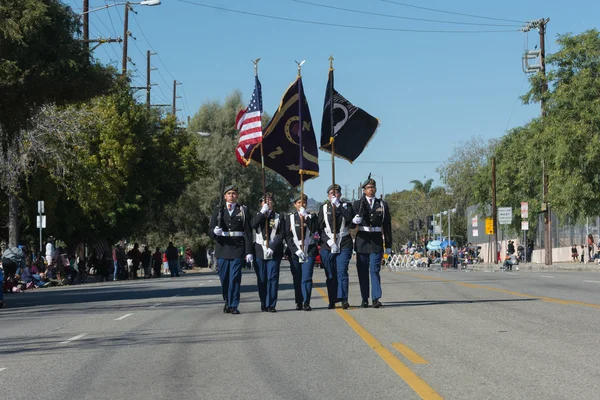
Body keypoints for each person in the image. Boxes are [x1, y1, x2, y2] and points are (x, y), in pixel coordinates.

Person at [209, 184, 253, 315]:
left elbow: (248, 232)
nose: (231, 196)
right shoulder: (218, 210)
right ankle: (227, 301)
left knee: (235, 278)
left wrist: (249, 251)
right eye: (229, 194)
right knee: (224, 279)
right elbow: (210, 230)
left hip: (237, 248)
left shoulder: (243, 210)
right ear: (224, 196)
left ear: (237, 196)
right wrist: (214, 231)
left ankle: (234, 305)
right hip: (222, 247)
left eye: (234, 193)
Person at [351, 175, 392, 308]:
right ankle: (364, 298)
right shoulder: (357, 204)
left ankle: (376, 298)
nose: (371, 190)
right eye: (368, 188)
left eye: (373, 187)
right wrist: (354, 221)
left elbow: (387, 226)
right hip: (362, 239)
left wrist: (389, 245)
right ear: (363, 190)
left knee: (374, 270)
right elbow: (350, 225)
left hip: (376, 240)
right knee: (362, 271)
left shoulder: (382, 204)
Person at [318, 183, 354, 309]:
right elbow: (319, 229)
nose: (334, 195)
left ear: (340, 194)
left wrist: (338, 205)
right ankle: (332, 299)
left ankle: (344, 299)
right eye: (332, 193)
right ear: (328, 196)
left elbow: (350, 219)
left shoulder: (346, 206)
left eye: (337, 193)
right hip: (328, 244)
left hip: (344, 241)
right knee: (331, 274)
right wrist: (328, 241)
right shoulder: (323, 208)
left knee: (342, 271)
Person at [251, 193, 286, 312]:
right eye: (265, 201)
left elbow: (281, 234)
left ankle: (271, 304)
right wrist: (262, 212)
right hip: (259, 250)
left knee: (273, 278)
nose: (268, 202)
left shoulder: (278, 216)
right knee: (262, 278)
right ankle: (263, 302)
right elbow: (253, 224)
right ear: (261, 203)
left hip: (274, 251)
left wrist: (273, 246)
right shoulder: (257, 215)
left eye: (270, 201)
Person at [285, 194, 319, 311]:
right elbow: (288, 237)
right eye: (299, 202)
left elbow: (315, 230)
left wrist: (306, 217)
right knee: (297, 277)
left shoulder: (312, 216)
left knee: (307, 277)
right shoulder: (289, 218)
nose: (301, 204)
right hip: (295, 251)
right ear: (295, 205)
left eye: (303, 202)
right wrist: (296, 250)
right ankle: (299, 301)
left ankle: (306, 301)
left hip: (309, 249)